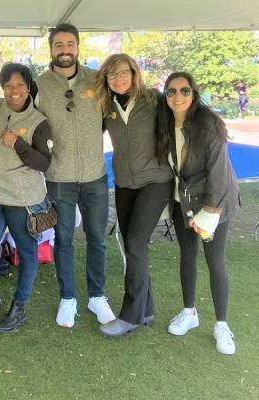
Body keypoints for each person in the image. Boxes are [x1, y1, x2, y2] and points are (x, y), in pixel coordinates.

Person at [33, 23, 115, 328]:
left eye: (70, 44)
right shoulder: (39, 84)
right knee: (63, 238)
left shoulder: (97, 80)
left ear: (77, 47)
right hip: (59, 177)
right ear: (51, 49)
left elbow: (108, 122)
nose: (64, 50)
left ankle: (97, 296)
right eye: (58, 45)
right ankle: (68, 298)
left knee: (97, 238)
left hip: (95, 175)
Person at [89, 54, 173, 337]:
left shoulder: (155, 100)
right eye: (111, 75)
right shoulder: (106, 106)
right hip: (125, 183)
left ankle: (131, 315)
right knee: (132, 243)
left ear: (134, 73)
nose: (118, 79)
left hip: (156, 180)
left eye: (123, 73)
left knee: (136, 242)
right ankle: (146, 310)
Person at [156, 72, 240, 355]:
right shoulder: (166, 122)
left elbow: (219, 169)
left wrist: (212, 210)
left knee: (215, 261)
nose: (177, 97)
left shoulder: (207, 123)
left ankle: (221, 324)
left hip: (213, 202)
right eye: (171, 92)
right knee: (187, 255)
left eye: (184, 91)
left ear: (193, 93)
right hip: (184, 202)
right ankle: (189, 312)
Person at [0, 63, 52, 333]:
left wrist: (18, 144)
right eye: (8, 85)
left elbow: (44, 163)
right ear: (2, 88)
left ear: (28, 87)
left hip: (22, 199)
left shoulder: (38, 122)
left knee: (27, 253)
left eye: (19, 84)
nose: (14, 90)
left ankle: (19, 308)